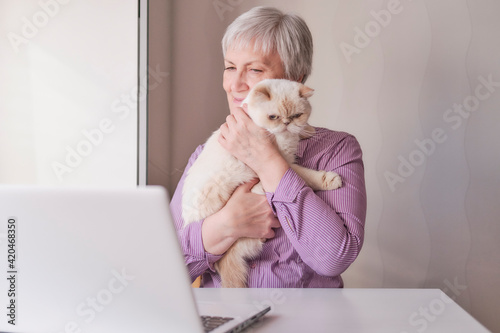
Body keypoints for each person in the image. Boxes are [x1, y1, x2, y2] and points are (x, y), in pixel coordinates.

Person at [170, 6, 366, 288]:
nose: (235, 84)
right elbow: (162, 268)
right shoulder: (205, 155)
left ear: (294, 79)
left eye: (255, 69)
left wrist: (267, 160)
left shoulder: (337, 150)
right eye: (230, 67)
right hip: (226, 320)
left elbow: (333, 257)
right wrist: (225, 225)